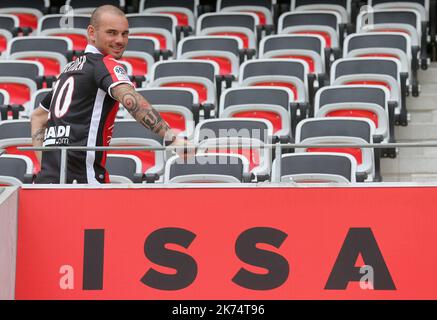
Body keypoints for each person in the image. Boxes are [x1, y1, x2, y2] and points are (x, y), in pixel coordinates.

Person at [31, 5, 193, 184]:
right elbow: (131, 100)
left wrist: (45, 162)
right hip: (83, 185)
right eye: (112, 33)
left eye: (125, 34)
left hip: (47, 183)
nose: (120, 40)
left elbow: (37, 116)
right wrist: (172, 137)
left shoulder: (70, 70)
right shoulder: (104, 64)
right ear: (92, 33)